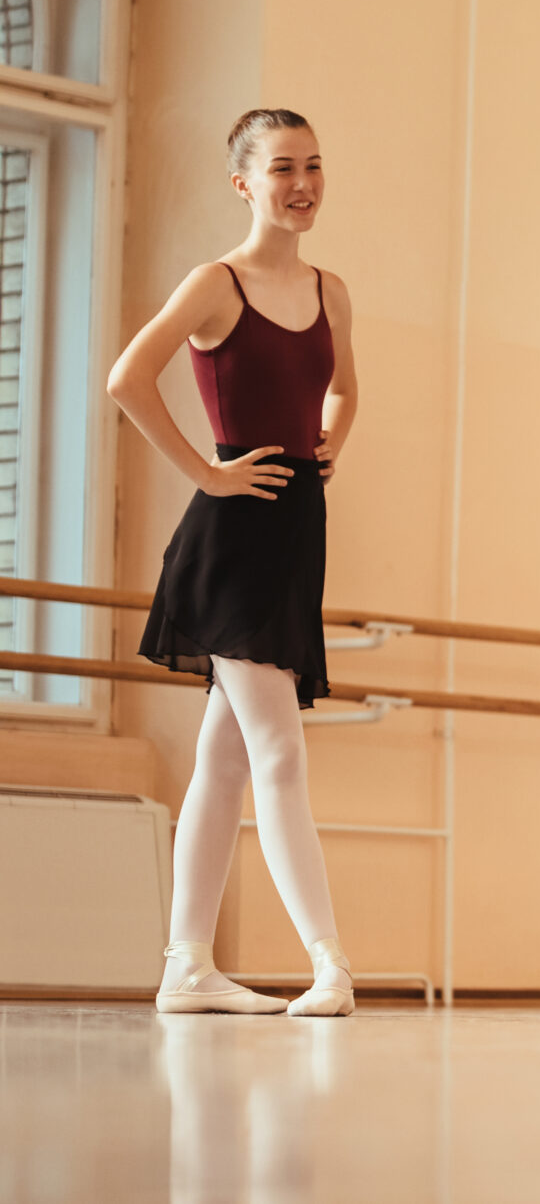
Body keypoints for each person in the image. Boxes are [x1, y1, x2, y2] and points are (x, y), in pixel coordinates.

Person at [111, 109, 360, 1017]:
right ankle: (330, 960)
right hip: (231, 543)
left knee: (223, 763)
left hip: (295, 535)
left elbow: (343, 386)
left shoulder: (332, 291)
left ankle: (187, 964)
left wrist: (329, 443)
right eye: (284, 167)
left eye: (315, 166)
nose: (303, 184)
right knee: (279, 751)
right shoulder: (215, 285)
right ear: (244, 182)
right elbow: (127, 377)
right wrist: (205, 473)